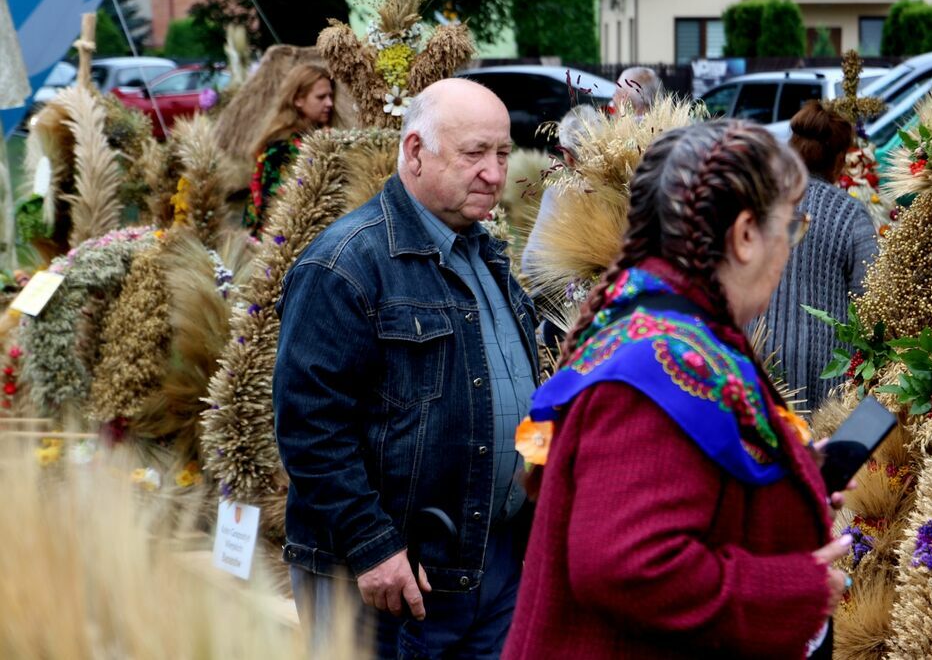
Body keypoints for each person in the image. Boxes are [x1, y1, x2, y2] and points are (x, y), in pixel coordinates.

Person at [505, 121, 854, 659]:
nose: (790, 246)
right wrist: (792, 589)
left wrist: (789, 481)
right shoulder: (655, 365)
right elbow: (626, 565)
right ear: (745, 235)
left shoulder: (666, 326)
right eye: (791, 226)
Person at [274, 77, 537, 659]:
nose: (494, 174)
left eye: (502, 153)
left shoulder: (484, 256)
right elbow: (309, 426)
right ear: (415, 151)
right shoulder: (345, 263)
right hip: (388, 582)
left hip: (490, 569)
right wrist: (371, 545)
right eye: (475, 153)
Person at [766, 100, 877, 411]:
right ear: (838, 159)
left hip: (759, 353)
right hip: (825, 367)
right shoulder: (850, 214)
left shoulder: (761, 201)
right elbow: (869, 295)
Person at [243, 63, 335, 236]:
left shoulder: (325, 136)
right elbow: (272, 210)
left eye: (331, 96)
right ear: (298, 99)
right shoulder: (280, 149)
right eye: (321, 97)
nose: (329, 103)